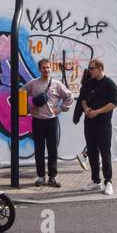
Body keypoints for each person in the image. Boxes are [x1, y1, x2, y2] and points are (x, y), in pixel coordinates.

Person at [25, 58, 74, 186]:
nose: (46, 70)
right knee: (39, 150)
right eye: (43, 68)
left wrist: (60, 108)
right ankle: (41, 177)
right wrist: (27, 107)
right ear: (39, 69)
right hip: (37, 122)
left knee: (53, 150)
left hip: (52, 122)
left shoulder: (57, 84)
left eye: (48, 67)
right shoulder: (33, 84)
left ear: (51, 68)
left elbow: (69, 96)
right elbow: (20, 94)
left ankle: (52, 177)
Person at [80, 58, 117, 195]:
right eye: (89, 68)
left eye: (92, 68)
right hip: (89, 123)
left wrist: (97, 112)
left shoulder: (109, 84)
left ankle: (108, 181)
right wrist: (86, 109)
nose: (89, 71)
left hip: (103, 124)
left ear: (100, 68)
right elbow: (83, 99)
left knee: (105, 153)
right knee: (92, 153)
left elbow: (113, 103)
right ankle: (96, 181)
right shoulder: (88, 84)